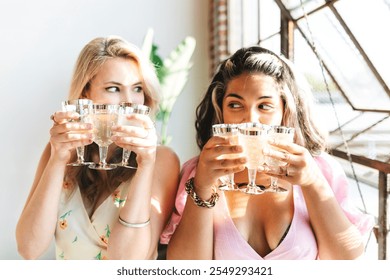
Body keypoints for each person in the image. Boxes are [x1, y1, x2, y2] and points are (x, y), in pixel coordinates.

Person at [163, 46, 374, 260]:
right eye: (235, 105)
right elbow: (185, 268)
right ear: (221, 111)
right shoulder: (199, 172)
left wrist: (313, 182)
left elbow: (348, 261)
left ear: (285, 111)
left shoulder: (320, 169)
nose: (250, 120)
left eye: (264, 106)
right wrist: (202, 186)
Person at [16, 36, 180, 260]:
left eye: (137, 88)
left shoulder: (161, 159)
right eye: (113, 89)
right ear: (85, 94)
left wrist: (146, 164)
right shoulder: (61, 151)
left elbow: (129, 262)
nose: (129, 102)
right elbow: (28, 248)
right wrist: (57, 160)